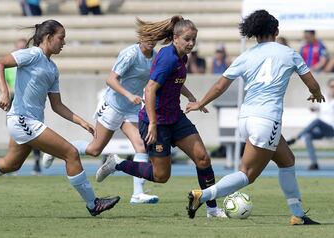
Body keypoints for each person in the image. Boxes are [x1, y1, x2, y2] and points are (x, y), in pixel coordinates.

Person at [185, 10, 323, 225]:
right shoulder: (288, 53)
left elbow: (221, 84)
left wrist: (201, 103)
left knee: (287, 160)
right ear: (276, 31)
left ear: (255, 33)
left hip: (247, 118)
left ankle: (298, 214)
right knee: (247, 174)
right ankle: (203, 195)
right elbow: (312, 83)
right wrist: (316, 94)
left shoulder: (246, 55)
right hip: (267, 119)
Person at [0, 20, 119, 216]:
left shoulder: (52, 68)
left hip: (30, 122)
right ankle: (93, 204)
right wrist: (4, 92)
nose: (64, 43)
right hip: (22, 120)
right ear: (48, 38)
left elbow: (57, 106)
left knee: (11, 164)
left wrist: (81, 121)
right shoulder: (33, 54)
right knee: (71, 154)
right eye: (61, 38)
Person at [95, 15, 226, 218]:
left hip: (176, 118)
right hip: (156, 122)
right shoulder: (167, 57)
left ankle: (212, 209)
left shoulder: (182, 56)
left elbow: (174, 80)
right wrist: (153, 124)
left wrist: (191, 97)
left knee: (202, 158)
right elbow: (149, 90)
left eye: (194, 40)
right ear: (175, 38)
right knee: (161, 176)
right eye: (187, 39)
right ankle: (117, 164)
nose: (191, 44)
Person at [42, 18, 159, 204]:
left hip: (130, 109)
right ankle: (58, 149)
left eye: (155, 37)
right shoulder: (130, 54)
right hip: (113, 105)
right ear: (140, 37)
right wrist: (129, 95)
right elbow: (111, 80)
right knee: (94, 149)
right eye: (148, 36)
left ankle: (137, 193)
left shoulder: (155, 57)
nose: (151, 40)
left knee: (141, 146)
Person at [5, 38, 42, 175]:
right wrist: (6, 92)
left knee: (34, 132)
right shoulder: (11, 65)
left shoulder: (31, 63)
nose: (21, 51)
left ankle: (37, 161)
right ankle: (10, 162)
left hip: (29, 101)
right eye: (18, 48)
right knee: (15, 131)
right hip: (14, 98)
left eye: (23, 48)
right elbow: (6, 80)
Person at [287, 79, 334, 170]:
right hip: (321, 129)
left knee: (317, 121)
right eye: (332, 87)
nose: (333, 89)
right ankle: (314, 163)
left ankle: (295, 138)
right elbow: (322, 109)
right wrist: (314, 109)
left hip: (331, 129)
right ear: (329, 87)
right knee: (307, 136)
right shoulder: (323, 99)